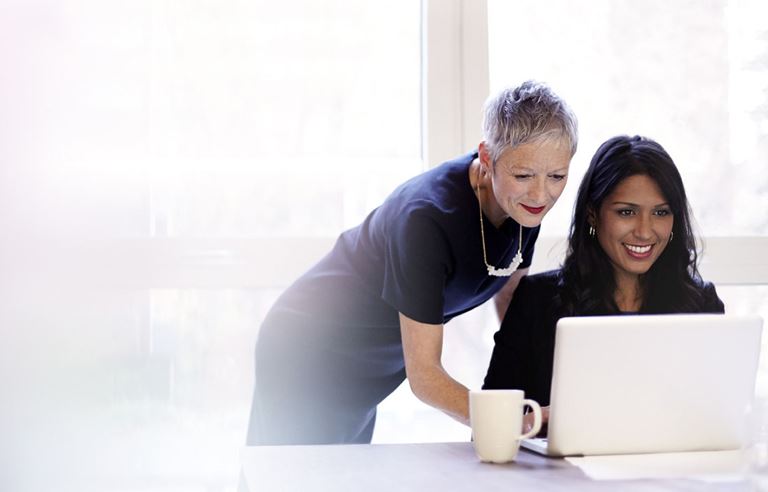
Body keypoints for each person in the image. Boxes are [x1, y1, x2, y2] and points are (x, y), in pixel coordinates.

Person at [246, 80, 578, 445]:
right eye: (524, 175)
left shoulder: (524, 203)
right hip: (309, 350)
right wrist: (510, 421)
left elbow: (510, 297)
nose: (542, 193)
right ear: (487, 157)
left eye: (557, 176)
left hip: (371, 370)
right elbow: (426, 377)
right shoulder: (426, 221)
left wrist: (541, 378)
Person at [483, 135, 725, 429]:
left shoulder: (701, 305)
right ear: (593, 215)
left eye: (661, 213)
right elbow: (489, 427)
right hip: (560, 474)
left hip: (671, 472)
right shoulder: (537, 301)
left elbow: (718, 419)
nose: (645, 232)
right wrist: (538, 420)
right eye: (627, 212)